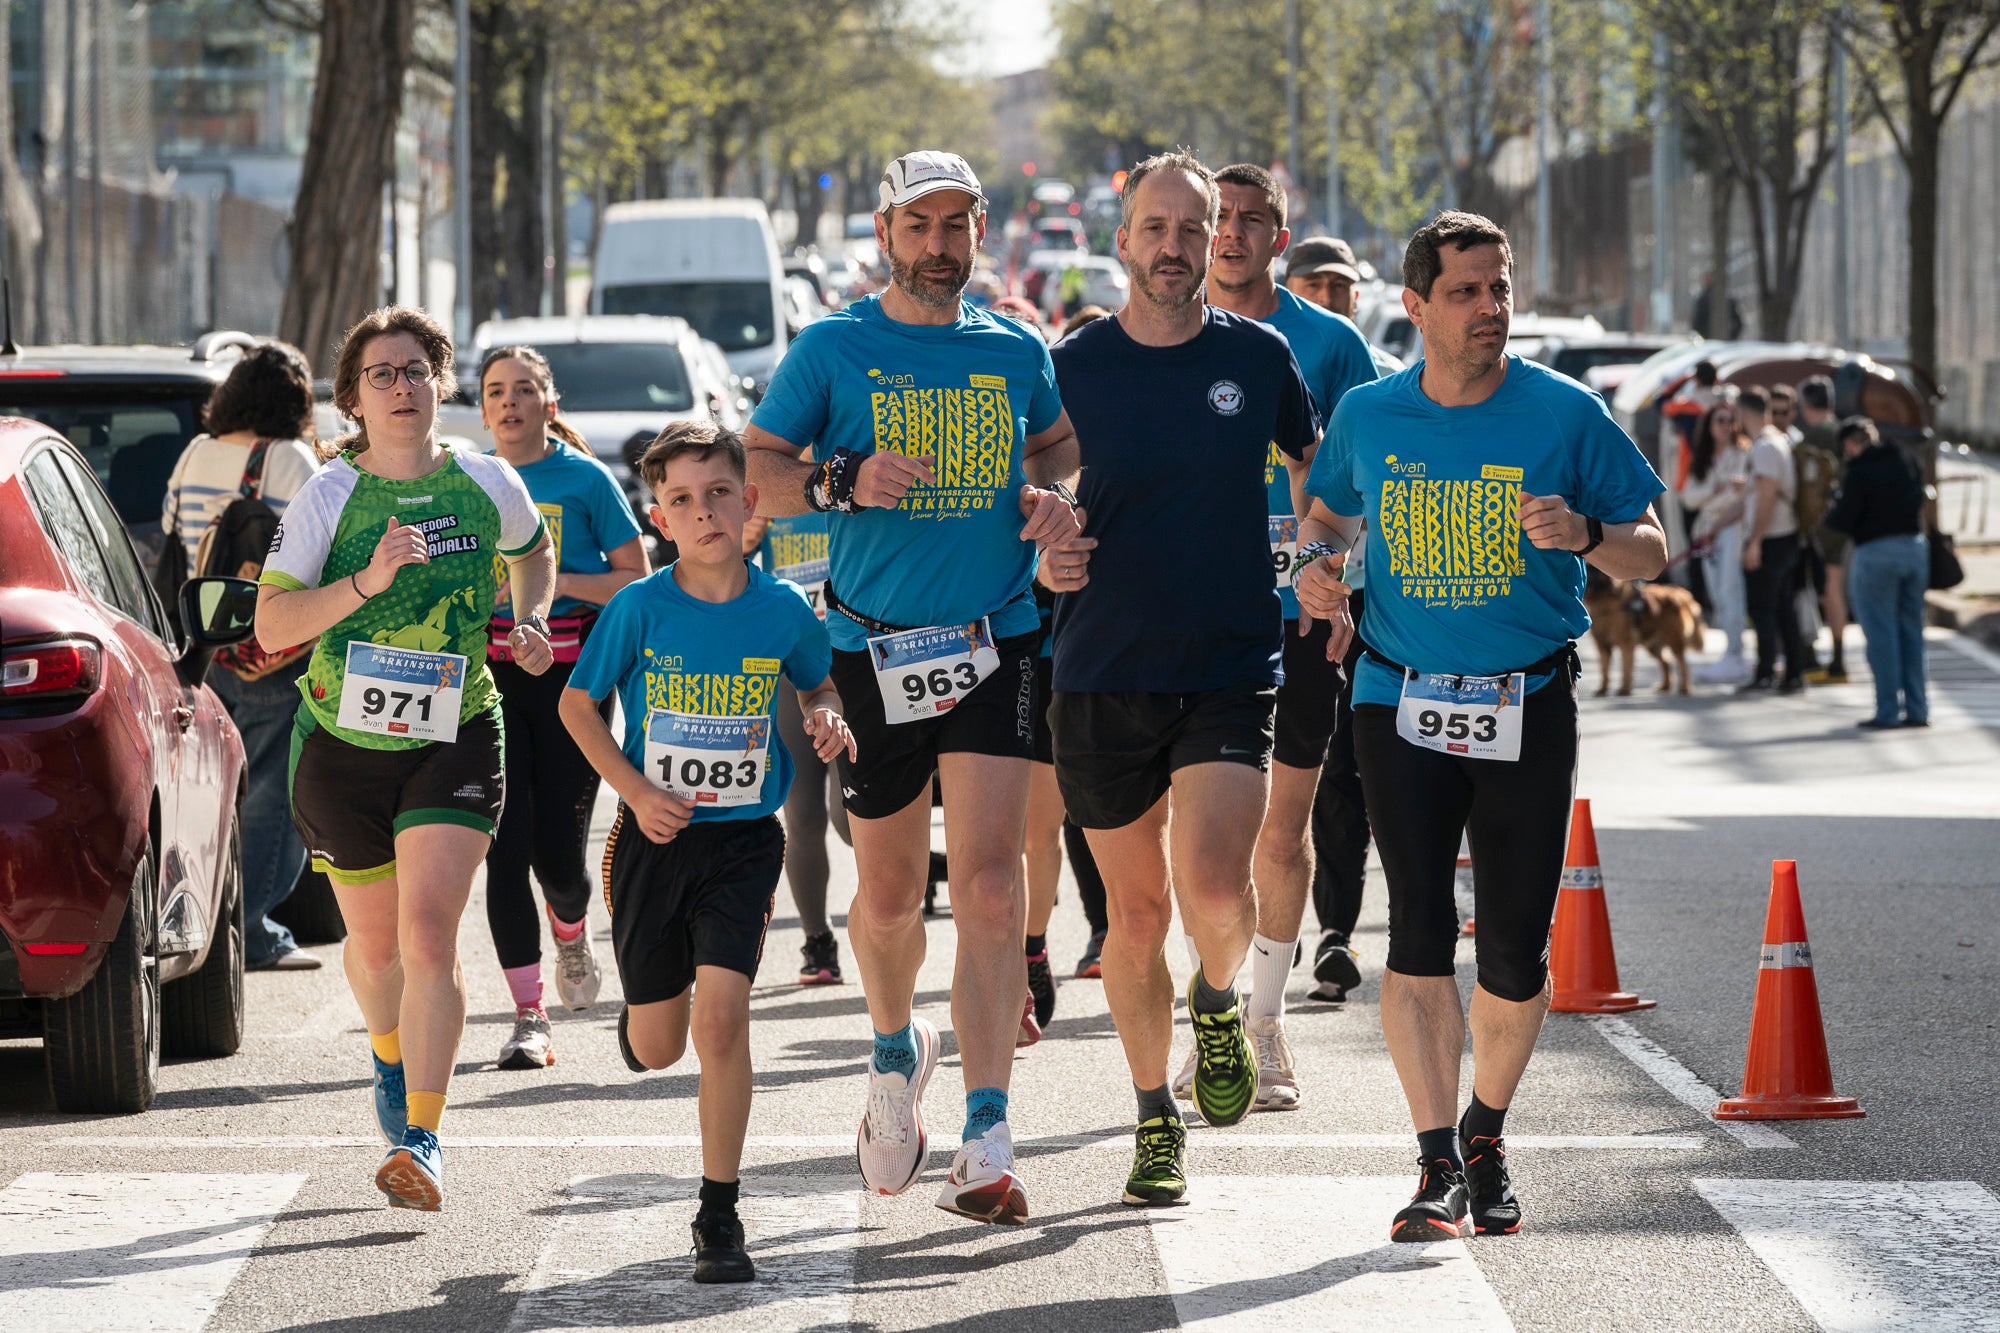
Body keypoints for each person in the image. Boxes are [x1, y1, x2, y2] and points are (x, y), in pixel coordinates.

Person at [1296, 211, 1667, 1241]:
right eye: (1464, 291)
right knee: (1414, 928)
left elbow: (1651, 545)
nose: (1488, 310)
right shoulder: (1371, 417)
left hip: (1525, 700)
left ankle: (1485, 1130)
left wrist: (1589, 534)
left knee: (1511, 949)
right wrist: (1313, 573)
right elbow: (1322, 513)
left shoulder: (1563, 413)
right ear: (1413, 306)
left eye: (1497, 288)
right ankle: (1429, 1166)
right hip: (1396, 697)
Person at [741, 149, 1082, 1226]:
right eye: (918, 227)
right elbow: (758, 468)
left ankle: (987, 1131)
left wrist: (1053, 500)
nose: (938, 247)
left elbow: (1063, 448)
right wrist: (838, 479)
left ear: (980, 231)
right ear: (885, 232)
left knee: (986, 886)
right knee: (886, 901)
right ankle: (895, 1052)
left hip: (996, 638)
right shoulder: (835, 345)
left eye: (956, 226)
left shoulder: (1013, 348)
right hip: (869, 650)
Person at [1043, 151, 1320, 1205]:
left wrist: (1318, 554)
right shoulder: (1069, 365)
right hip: (1099, 666)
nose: (1171, 247)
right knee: (1132, 915)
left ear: (1217, 242)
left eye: (1190, 229)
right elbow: (1022, 491)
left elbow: (1314, 466)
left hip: (1226, 659)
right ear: (1121, 241)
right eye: (1153, 228)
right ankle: (1151, 1114)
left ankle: (1218, 1000)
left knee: (1213, 884)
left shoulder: (1257, 359)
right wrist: (1041, 550)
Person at [255, 306, 558, 1211]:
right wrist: (366, 582)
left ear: (442, 382)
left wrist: (531, 616)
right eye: (381, 375)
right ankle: (387, 1052)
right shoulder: (327, 496)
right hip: (342, 747)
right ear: (351, 399)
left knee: (430, 935)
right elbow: (272, 626)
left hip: (456, 732)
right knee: (375, 946)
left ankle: (424, 1136)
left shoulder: (485, 480)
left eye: (416, 370)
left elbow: (534, 553)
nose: (402, 387)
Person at [559, 421, 854, 1283]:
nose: (705, 511)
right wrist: (636, 790)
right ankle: (644, 1015)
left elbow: (817, 677)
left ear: (750, 501)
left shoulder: (784, 610)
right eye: (683, 500)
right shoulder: (640, 607)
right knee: (660, 1047)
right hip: (655, 840)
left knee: (722, 1019)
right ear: (661, 518)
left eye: (719, 492)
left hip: (741, 844)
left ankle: (718, 1211)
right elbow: (581, 708)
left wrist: (826, 711)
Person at [1198, 162, 1378, 1109]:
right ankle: (1214, 1003)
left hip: (1301, 617)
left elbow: (1370, 478)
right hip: (1192, 615)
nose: (1230, 233)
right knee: (1203, 840)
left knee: (1283, 824)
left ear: (1279, 233)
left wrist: (1339, 580)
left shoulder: (1333, 345)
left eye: (1250, 219)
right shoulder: (1163, 335)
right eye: (1216, 218)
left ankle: (1260, 1024)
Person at [476, 346, 649, 1069]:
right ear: (481, 408)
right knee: (503, 845)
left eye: (524, 389)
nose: (510, 402)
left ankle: (572, 928)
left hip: (572, 679)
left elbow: (636, 577)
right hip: (487, 676)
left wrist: (545, 585)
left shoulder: (584, 480)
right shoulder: (470, 479)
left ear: (550, 404)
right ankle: (528, 1012)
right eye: (495, 391)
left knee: (558, 853)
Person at [160, 340, 326, 972]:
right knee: (275, 800)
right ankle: (251, 930)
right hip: (272, 653)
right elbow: (322, 546)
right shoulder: (288, 459)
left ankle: (215, 921)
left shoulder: (196, 453)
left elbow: (175, 537)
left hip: (204, 647)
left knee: (217, 796)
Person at [1283, 237, 1387, 999]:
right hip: (1245, 599)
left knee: (1340, 773)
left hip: (1339, 598)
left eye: (1341, 285)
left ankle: (1335, 932)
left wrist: (1349, 581)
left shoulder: (1351, 354)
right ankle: (1270, 933)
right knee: (1260, 783)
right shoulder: (1239, 340)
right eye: (1314, 283)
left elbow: (1368, 488)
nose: (1329, 294)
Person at [757, 503, 855, 984]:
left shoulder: (850, 478)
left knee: (849, 817)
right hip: (789, 668)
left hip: (853, 664)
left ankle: (902, 891)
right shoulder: (763, 490)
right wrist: (745, 536)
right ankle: (818, 940)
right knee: (803, 813)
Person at [1823, 417, 1929, 729]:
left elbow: (1842, 520)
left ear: (1849, 444)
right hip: (1914, 549)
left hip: (1875, 553)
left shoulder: (1858, 471)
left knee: (1882, 635)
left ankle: (1887, 711)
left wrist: (1833, 509)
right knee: (1911, 632)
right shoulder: (1904, 457)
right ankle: (1918, 708)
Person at [1737, 388, 1807, 695]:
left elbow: (1766, 496)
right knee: (1782, 608)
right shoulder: (1778, 441)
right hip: (1783, 536)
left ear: (1742, 414)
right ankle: (1792, 672)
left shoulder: (1765, 447)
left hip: (1772, 538)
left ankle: (1767, 671)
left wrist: (1755, 542)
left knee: (1764, 608)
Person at [1680, 401, 1753, 683]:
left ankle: (1736, 653)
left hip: (1732, 527)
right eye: (1718, 420)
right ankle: (1730, 651)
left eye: (1728, 420)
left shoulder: (1744, 452)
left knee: (1730, 588)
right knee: (1717, 591)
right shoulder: (1702, 458)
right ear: (1709, 426)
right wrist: (1718, 488)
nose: (1724, 425)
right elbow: (1688, 497)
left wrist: (1716, 495)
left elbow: (1742, 495)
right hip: (1706, 530)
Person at [1795, 377, 1849, 683]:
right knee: (1834, 588)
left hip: (1821, 523)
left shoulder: (1814, 437)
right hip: (1845, 520)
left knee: (1827, 591)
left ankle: (1832, 662)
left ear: (1805, 406)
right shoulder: (1844, 430)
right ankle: (1837, 658)